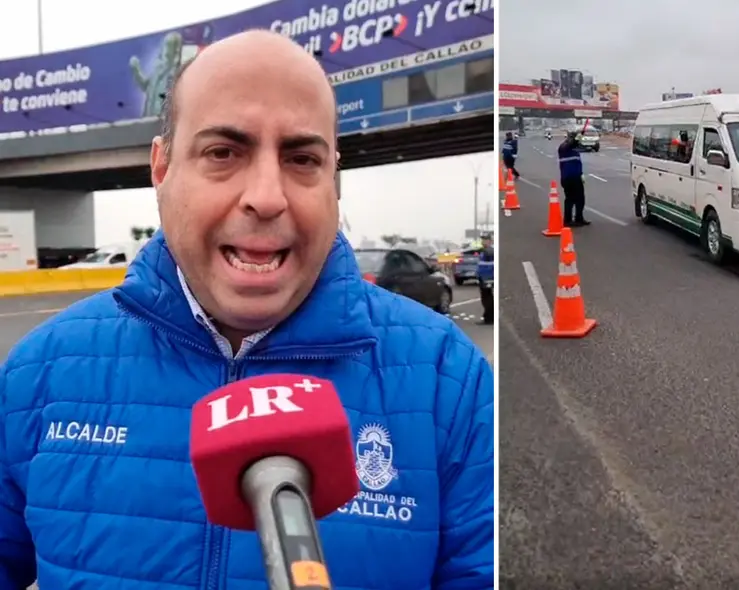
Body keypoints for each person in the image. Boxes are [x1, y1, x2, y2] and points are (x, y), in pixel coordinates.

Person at [0, 30, 494, 589]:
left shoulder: (448, 381)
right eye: (223, 153)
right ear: (161, 170)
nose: (267, 196)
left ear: (333, 179)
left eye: (302, 158)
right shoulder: (38, 373)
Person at [558, 130, 590, 227]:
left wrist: (581, 174)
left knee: (580, 199)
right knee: (570, 199)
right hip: (568, 178)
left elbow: (577, 164)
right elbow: (571, 143)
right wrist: (576, 139)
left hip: (576, 177)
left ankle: (578, 218)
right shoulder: (564, 148)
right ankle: (567, 220)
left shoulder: (575, 150)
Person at [476, 233, 494, 325]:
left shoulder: (489, 251)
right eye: (482, 239)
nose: (483, 241)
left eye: (485, 239)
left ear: (490, 240)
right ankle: (488, 317)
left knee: (487, 298)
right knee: (487, 297)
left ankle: (489, 318)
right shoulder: (484, 251)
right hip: (484, 277)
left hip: (488, 278)